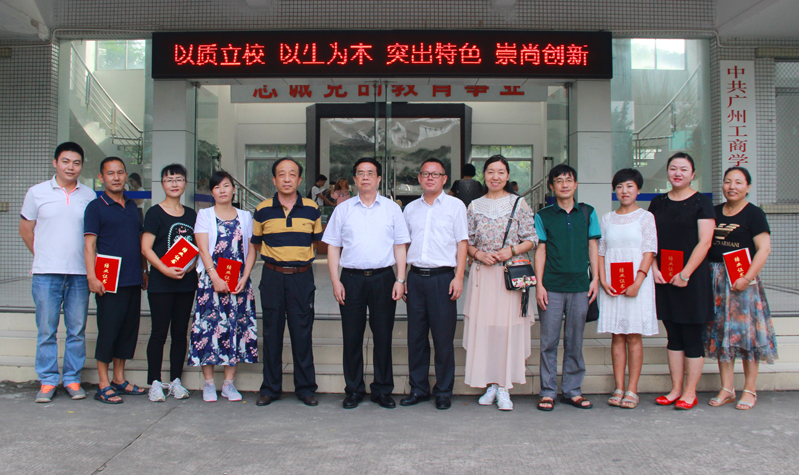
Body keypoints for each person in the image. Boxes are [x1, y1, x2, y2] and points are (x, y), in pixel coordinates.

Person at [322, 157, 410, 409]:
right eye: (360, 173)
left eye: (370, 173)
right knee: (352, 337)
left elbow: (400, 245)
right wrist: (335, 280)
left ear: (379, 178)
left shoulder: (392, 209)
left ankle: (382, 390)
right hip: (351, 279)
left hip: (384, 279)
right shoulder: (343, 210)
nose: (365, 177)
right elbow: (333, 247)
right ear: (354, 179)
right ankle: (354, 389)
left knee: (383, 336)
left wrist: (400, 279)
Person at [20, 142, 96, 403]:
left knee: (77, 329)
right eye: (65, 161)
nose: (70, 167)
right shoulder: (36, 193)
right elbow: (25, 230)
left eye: (76, 163)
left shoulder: (89, 195)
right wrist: (43, 255)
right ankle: (48, 380)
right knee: (46, 330)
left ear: (81, 166)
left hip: (79, 274)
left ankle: (72, 379)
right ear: (55, 163)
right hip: (46, 274)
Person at [464, 155, 537, 411]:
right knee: (486, 329)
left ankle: (504, 386)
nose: (495, 176)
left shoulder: (519, 203)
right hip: (483, 276)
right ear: (484, 175)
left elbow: (532, 238)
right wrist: (478, 254)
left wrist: (512, 251)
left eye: (501, 172)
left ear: (507, 176)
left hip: (510, 276)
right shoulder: (474, 206)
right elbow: (466, 241)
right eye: (491, 171)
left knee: (507, 329)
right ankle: (491, 384)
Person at [252, 158, 323, 407]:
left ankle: (305, 388)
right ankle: (270, 388)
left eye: (292, 174)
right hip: (272, 276)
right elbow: (256, 244)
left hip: (302, 277)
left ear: (299, 179)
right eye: (281, 174)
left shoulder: (312, 208)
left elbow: (316, 241)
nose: (287, 179)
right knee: (272, 333)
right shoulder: (262, 209)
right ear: (274, 179)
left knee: (302, 332)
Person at [706, 167, 777, 410]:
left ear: (748, 187)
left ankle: (749, 389)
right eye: (728, 182)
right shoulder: (714, 212)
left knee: (747, 336)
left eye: (738, 182)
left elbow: (764, 249)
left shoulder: (754, 214)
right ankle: (727, 388)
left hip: (742, 281)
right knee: (722, 334)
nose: (732, 187)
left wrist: (747, 277)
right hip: (716, 279)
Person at [648, 152, 714, 410]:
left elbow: (705, 242)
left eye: (684, 169)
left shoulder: (702, 202)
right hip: (664, 278)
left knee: (691, 335)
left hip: (691, 279)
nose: (677, 173)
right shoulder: (658, 203)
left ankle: (690, 391)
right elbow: (650, 239)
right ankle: (675, 389)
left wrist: (685, 273)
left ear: (693, 174)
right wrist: (654, 267)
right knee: (673, 334)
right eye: (673, 168)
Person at [401, 158, 468, 411]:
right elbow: (403, 245)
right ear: (419, 178)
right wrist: (402, 278)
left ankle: (443, 391)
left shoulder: (455, 206)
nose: (430, 178)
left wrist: (459, 277)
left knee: (442, 339)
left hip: (443, 279)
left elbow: (462, 243)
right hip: (416, 278)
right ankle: (418, 389)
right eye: (426, 174)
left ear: (444, 179)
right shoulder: (410, 209)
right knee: (416, 338)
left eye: (435, 174)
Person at [534, 163, 600, 411]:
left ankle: (572, 391)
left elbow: (593, 247)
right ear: (552, 186)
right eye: (559, 181)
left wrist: (595, 279)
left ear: (576, 184)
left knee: (575, 341)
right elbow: (541, 251)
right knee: (549, 342)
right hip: (551, 286)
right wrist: (539, 285)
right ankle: (548, 391)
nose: (564, 184)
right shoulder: (543, 215)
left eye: (568, 180)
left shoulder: (587, 212)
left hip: (580, 286)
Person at [84, 157, 149, 404]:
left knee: (127, 331)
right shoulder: (95, 207)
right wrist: (91, 276)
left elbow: (138, 241)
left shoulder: (132, 206)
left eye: (120, 172)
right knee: (109, 330)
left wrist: (144, 270)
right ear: (101, 178)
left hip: (133, 278)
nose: (116, 177)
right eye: (110, 173)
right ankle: (103, 383)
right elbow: (89, 245)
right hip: (108, 279)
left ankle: (119, 379)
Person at [189, 170, 258, 403]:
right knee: (208, 329)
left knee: (235, 328)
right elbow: (203, 249)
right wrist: (214, 277)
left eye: (226, 186)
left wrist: (245, 277)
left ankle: (229, 383)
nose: (222, 190)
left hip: (238, 283)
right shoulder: (204, 215)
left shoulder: (245, 216)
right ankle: (209, 383)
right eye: (217, 187)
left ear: (233, 189)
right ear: (212, 192)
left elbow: (252, 249)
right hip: (211, 282)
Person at [597, 169, 658, 410]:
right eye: (620, 186)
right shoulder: (607, 218)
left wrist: (638, 282)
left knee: (633, 335)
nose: (624, 191)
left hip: (637, 283)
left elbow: (649, 251)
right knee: (617, 334)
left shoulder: (646, 217)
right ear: (615, 190)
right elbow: (601, 251)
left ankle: (632, 389)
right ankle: (618, 387)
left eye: (630, 186)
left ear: (638, 190)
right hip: (613, 283)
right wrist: (603, 280)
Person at [141, 164, 197, 402]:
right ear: (162, 184)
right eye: (169, 179)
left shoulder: (192, 215)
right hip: (160, 283)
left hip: (186, 282)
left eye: (179, 179)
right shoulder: (154, 213)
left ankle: (176, 381)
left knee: (180, 334)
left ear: (185, 183)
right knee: (159, 333)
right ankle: (154, 382)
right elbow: (146, 248)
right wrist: (164, 269)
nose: (174, 184)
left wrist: (192, 265)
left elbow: (197, 247)